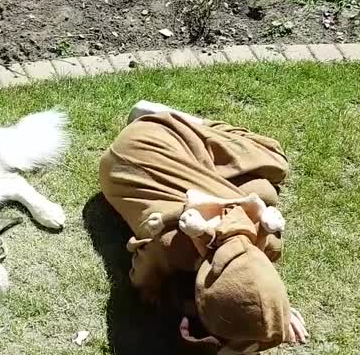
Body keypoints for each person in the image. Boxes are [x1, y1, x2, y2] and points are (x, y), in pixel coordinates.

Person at [98, 100, 309, 354]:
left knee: (266, 186)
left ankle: (195, 135)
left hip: (164, 158)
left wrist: (272, 311)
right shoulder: (171, 246)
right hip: (143, 144)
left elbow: (252, 281)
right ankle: (168, 117)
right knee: (276, 159)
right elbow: (142, 279)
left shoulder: (269, 238)